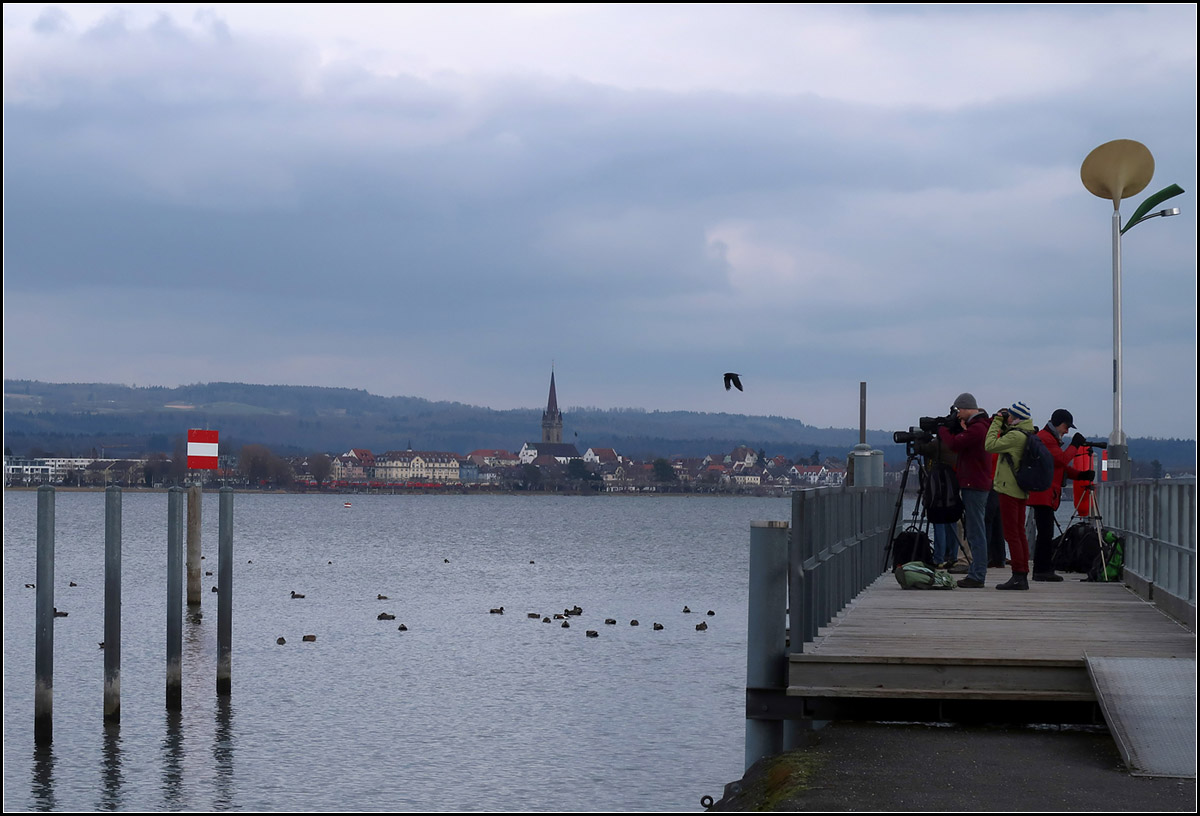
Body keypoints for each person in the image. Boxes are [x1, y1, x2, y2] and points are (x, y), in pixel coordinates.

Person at [1026, 409, 1095, 581]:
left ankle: (1043, 568)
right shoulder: (1046, 439)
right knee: (1045, 533)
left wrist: (1080, 475)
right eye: (1066, 427)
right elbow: (1062, 460)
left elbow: (1060, 466)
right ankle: (1042, 570)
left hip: (1045, 493)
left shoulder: (1049, 438)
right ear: (1058, 423)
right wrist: (1075, 445)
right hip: (1044, 493)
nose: (1067, 431)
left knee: (1045, 532)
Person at [936, 392, 992, 588]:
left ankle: (978, 575)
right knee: (975, 529)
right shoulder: (981, 427)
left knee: (976, 530)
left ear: (968, 408)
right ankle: (977, 572)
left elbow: (954, 444)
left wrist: (942, 430)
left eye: (960, 411)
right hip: (977, 483)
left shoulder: (977, 429)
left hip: (974, 484)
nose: (958, 415)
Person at [984, 401, 1036, 590]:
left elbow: (990, 445)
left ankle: (1018, 575)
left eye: (1010, 416)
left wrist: (997, 422)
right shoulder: (1025, 433)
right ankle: (1021, 573)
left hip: (1008, 489)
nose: (1008, 418)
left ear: (1016, 418)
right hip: (1020, 489)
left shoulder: (1015, 436)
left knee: (1012, 534)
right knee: (1019, 532)